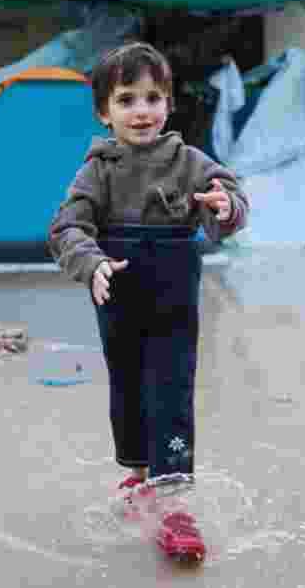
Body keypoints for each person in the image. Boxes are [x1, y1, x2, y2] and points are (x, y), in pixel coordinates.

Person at [48, 42, 249, 558]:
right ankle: (139, 477)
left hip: (174, 302)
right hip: (119, 300)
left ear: (168, 104)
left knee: (172, 390)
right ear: (104, 111)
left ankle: (174, 502)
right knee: (130, 389)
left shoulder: (189, 162)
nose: (142, 111)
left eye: (153, 98)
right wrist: (90, 262)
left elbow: (230, 196)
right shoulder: (99, 169)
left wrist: (225, 205)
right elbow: (68, 227)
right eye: (127, 99)